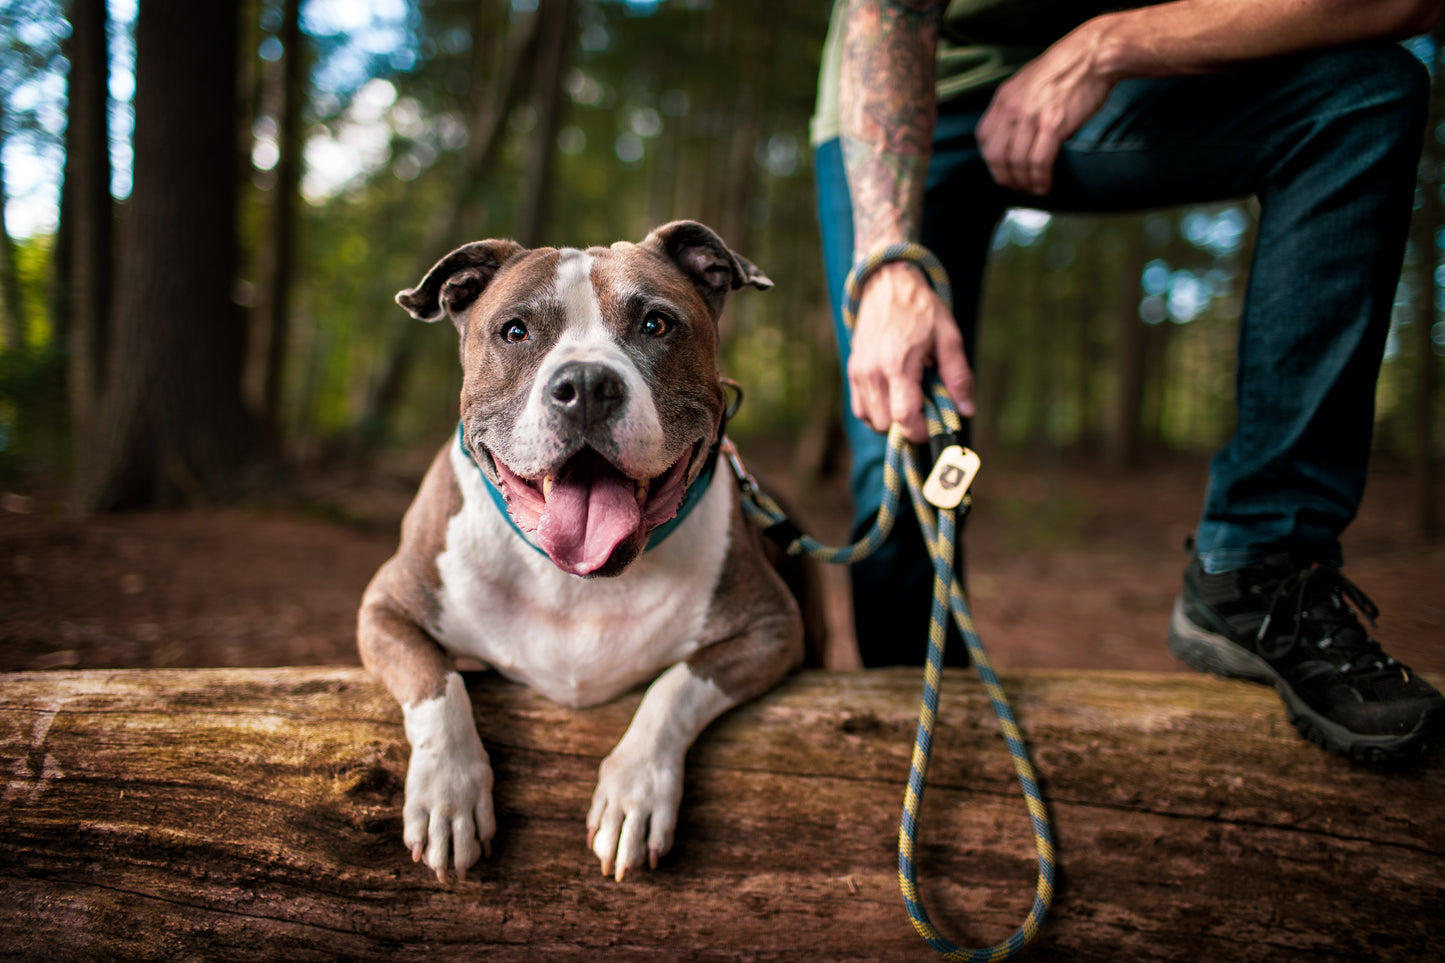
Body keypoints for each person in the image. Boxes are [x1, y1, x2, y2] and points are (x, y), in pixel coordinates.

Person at [811, 0, 1445, 760]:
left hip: (1120, 77)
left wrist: (1105, 45)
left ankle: (1258, 566)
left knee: (1365, 93)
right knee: (899, 467)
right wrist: (886, 261)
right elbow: (886, 14)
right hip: (908, 100)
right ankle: (906, 742)